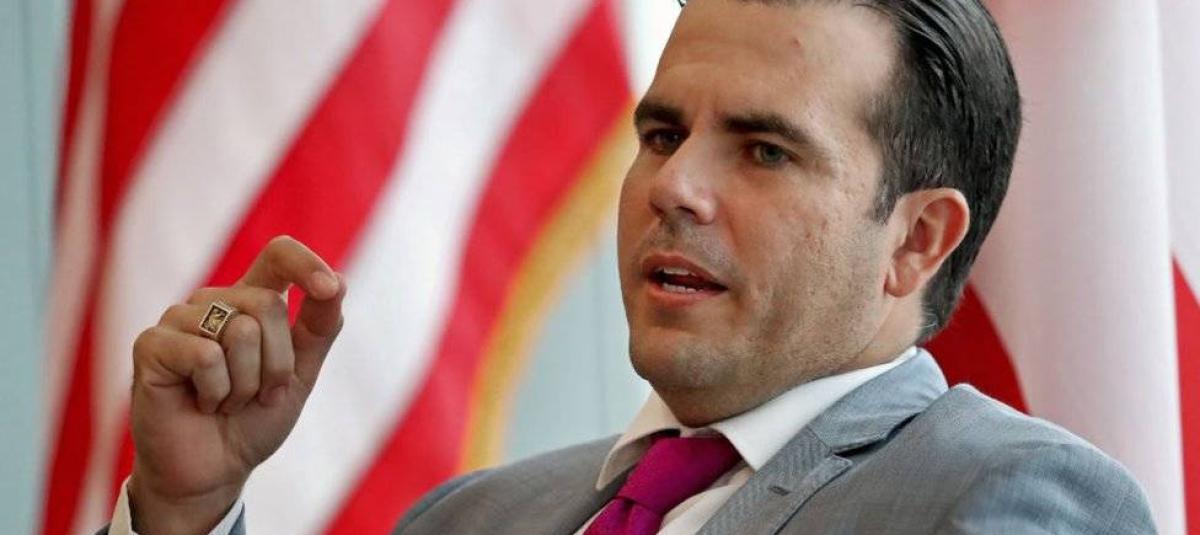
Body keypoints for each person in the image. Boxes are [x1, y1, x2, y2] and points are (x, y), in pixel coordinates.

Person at [105, 0, 1158, 533]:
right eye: (662, 134)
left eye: (763, 150)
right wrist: (185, 511)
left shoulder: (1008, 497)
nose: (673, 186)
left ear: (917, 239)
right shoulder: (470, 518)